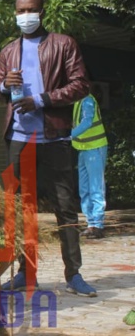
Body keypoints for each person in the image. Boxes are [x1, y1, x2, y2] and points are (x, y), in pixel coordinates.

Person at [0, 0, 96, 296]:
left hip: (54, 137)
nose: (26, 16)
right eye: (21, 11)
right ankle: (27, 273)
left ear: (42, 11)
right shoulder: (9, 50)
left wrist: (41, 99)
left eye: (31, 10)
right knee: (22, 209)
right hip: (19, 139)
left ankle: (74, 274)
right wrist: (2, 85)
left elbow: (80, 85)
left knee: (65, 206)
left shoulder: (63, 45)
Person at [72, 83, 108, 239]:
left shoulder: (87, 101)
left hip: (94, 148)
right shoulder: (78, 101)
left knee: (95, 187)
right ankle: (91, 223)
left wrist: (68, 135)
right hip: (84, 148)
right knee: (84, 189)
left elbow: (87, 122)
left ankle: (98, 225)